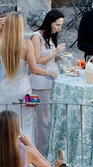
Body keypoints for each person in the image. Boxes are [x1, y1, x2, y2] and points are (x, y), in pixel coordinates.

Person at [24, 9, 65, 144]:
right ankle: (41, 152)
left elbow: (49, 60)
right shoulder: (36, 37)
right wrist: (55, 52)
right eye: (57, 25)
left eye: (61, 25)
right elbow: (35, 62)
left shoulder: (51, 36)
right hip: (40, 82)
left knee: (50, 118)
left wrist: (59, 55)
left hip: (52, 79)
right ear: (49, 22)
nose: (59, 28)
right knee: (42, 120)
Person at [0, 11, 34, 133]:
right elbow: (34, 68)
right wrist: (49, 73)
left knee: (6, 125)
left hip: (5, 90)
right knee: (25, 125)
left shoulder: (0, 43)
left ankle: (6, 150)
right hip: (22, 90)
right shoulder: (27, 44)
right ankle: (25, 151)